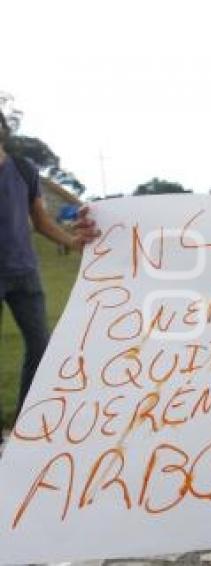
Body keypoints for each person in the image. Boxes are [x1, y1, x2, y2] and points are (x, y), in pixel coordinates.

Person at [0, 111, 99, 439]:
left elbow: (40, 220)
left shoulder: (23, 169)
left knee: (41, 345)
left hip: (25, 273)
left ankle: (21, 427)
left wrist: (72, 242)